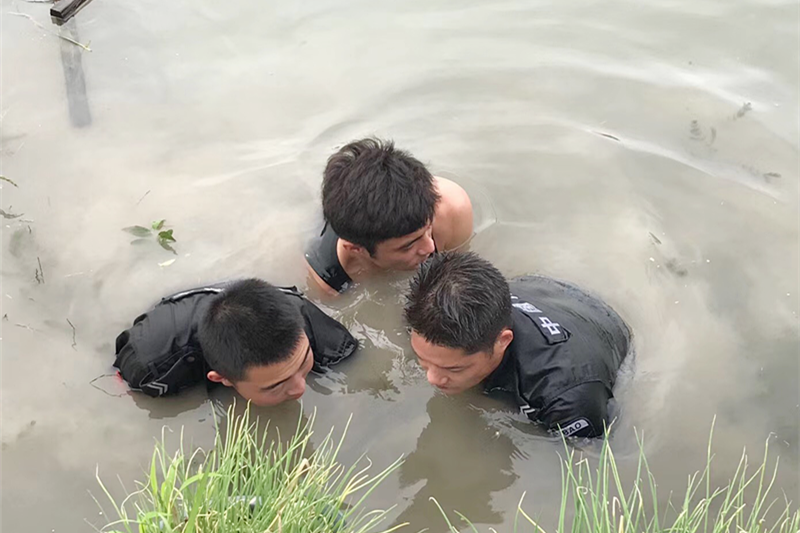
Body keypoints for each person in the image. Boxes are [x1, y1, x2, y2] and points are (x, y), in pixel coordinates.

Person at [403, 252, 631, 438]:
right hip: (535, 286)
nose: (433, 379)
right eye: (423, 360)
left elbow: (584, 460)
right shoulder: (429, 317)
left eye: (454, 369)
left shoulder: (567, 398)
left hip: (602, 325)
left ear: (502, 342)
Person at [113, 278, 358, 406]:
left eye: (303, 362)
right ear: (222, 379)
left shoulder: (301, 315)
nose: (300, 389)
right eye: (276, 385)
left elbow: (357, 370)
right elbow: (123, 391)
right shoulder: (150, 365)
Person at [306, 138, 474, 295]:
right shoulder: (329, 281)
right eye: (408, 246)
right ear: (357, 250)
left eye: (428, 228)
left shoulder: (451, 208)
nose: (429, 248)